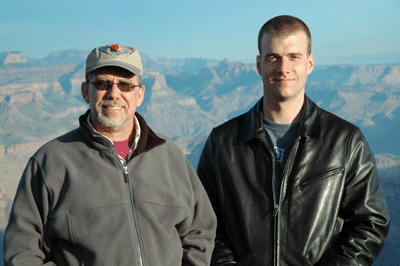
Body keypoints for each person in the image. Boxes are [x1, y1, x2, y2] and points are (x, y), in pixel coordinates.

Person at [197, 15, 390, 265]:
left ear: (309, 63)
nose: (283, 68)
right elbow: (205, 223)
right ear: (259, 64)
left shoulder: (345, 141)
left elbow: (370, 222)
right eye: (273, 57)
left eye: (294, 57)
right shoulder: (222, 143)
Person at [4, 44, 216, 265]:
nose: (114, 93)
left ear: (140, 94)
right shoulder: (50, 161)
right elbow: (22, 252)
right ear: (86, 91)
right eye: (103, 84)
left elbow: (200, 230)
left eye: (125, 85)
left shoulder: (169, 156)